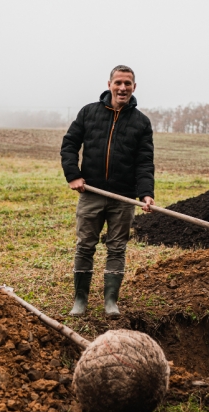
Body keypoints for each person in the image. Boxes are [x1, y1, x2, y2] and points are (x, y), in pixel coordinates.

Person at [60, 65, 155, 318]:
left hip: (122, 198)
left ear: (134, 87)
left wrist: (145, 193)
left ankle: (110, 301)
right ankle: (80, 300)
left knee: (117, 248)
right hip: (91, 192)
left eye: (127, 83)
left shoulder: (141, 122)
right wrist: (73, 175)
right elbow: (69, 145)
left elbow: (144, 162)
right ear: (109, 84)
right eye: (118, 83)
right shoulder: (89, 113)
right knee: (85, 246)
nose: (122, 88)